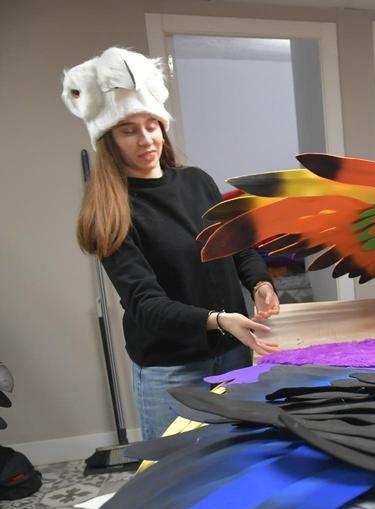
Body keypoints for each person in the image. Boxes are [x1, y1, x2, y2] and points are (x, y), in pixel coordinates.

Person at [65, 47, 280, 440]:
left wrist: (260, 284)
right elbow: (146, 305)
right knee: (177, 479)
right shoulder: (112, 213)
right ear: (108, 140)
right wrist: (218, 320)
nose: (146, 139)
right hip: (171, 370)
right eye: (129, 130)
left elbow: (239, 244)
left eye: (152, 125)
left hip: (232, 354)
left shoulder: (197, 181)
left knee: (232, 464)